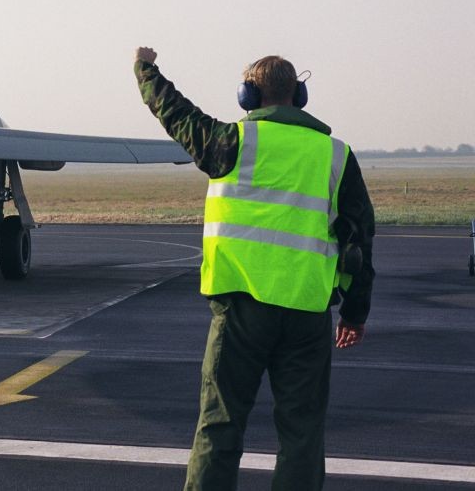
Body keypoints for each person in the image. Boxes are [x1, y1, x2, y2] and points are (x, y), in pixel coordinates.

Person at [134, 48, 374, 490]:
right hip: (307, 312)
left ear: (248, 96)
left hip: (241, 311)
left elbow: (175, 113)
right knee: (302, 434)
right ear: (298, 95)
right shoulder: (336, 155)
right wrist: (355, 313)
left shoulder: (230, 143)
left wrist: (146, 70)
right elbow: (359, 240)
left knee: (220, 426)